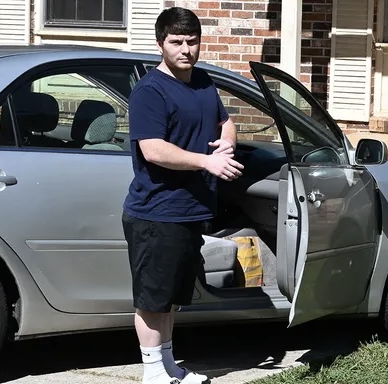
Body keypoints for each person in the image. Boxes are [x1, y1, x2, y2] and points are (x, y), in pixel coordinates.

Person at [121, 6, 245, 384]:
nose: (185, 50)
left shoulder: (203, 81)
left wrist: (225, 146)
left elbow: (226, 121)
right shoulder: (150, 91)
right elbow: (153, 149)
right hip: (156, 211)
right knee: (152, 298)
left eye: (192, 42)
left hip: (189, 210)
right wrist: (206, 163)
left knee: (172, 298)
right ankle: (153, 371)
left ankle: (169, 365)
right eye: (176, 42)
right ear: (161, 44)